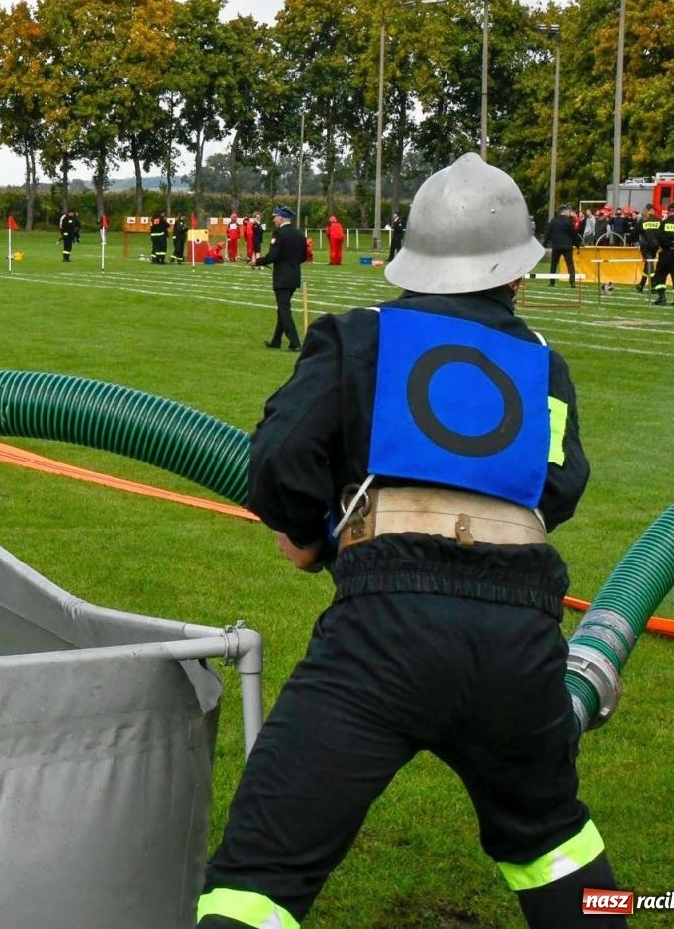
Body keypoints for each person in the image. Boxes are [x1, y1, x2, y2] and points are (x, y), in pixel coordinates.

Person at [200, 153, 616, 929]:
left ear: (414, 261)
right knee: (551, 835)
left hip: (386, 626)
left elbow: (284, 456)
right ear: (515, 272)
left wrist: (309, 537)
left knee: (259, 875)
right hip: (520, 633)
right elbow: (558, 486)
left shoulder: (361, 337)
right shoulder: (541, 366)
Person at [251, 205, 308, 351]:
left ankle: (295, 343)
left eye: (275, 217)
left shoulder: (279, 234)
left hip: (282, 278)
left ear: (281, 217)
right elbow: (304, 256)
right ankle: (276, 341)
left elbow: (273, 256)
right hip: (294, 277)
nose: (274, 219)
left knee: (284, 310)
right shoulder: (300, 234)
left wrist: (257, 261)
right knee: (282, 309)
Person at [545, 205, 581, 286]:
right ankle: (572, 282)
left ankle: (552, 282)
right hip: (567, 246)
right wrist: (577, 245)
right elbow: (573, 234)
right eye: (568, 211)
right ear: (564, 212)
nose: (569, 213)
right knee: (570, 264)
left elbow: (548, 233)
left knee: (554, 264)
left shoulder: (553, 221)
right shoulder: (569, 221)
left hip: (556, 246)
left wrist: (545, 244)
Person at [635, 205, 661, 292]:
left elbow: (636, 232)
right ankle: (641, 284)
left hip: (645, 246)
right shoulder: (659, 221)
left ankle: (653, 284)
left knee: (649, 263)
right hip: (655, 246)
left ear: (649, 210)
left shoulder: (643, 220)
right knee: (648, 264)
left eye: (645, 210)